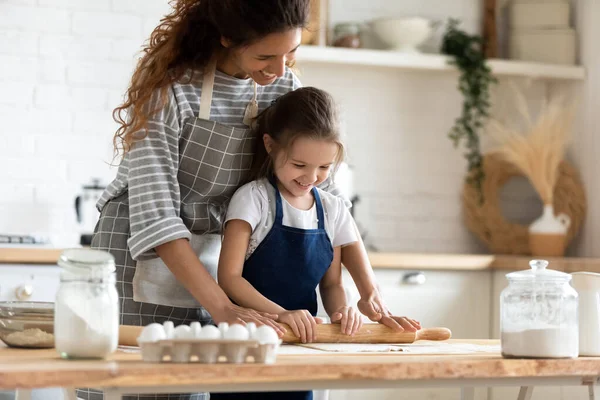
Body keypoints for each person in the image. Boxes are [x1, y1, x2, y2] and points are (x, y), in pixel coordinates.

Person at [86, 0, 419, 398]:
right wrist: (223, 307)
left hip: (217, 255)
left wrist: (369, 294)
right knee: (141, 387)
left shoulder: (282, 86)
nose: (280, 69)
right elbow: (157, 216)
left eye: (291, 53)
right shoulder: (172, 91)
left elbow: (326, 203)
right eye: (266, 55)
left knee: (198, 385)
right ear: (227, 38)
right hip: (143, 253)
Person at [214, 87, 365, 400]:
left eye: (324, 167)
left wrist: (342, 311)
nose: (311, 176)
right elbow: (229, 278)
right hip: (246, 349)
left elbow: (332, 284)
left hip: (299, 350)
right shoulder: (253, 199)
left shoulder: (332, 210)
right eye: (299, 165)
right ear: (270, 145)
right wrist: (281, 314)